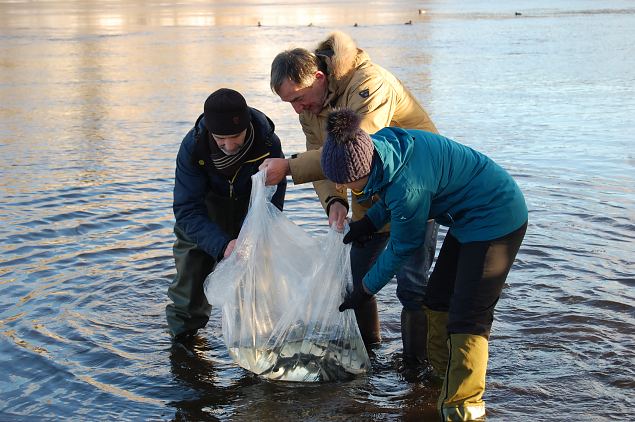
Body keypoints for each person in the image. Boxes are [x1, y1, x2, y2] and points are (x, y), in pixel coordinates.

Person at [321, 108, 527, 421]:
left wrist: (364, 289)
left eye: (351, 183)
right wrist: (369, 223)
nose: (349, 191)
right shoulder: (379, 147)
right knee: (436, 299)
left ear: (364, 165)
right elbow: (388, 190)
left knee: (468, 318)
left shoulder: (408, 185)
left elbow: (404, 244)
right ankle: (437, 382)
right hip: (467, 217)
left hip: (496, 217)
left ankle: (463, 410)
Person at [260, 30, 438, 363]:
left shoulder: (369, 84)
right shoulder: (309, 107)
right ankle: (368, 353)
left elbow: (356, 150)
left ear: (318, 76)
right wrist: (335, 201)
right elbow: (321, 153)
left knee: (412, 287)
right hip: (368, 193)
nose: (298, 108)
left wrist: (288, 167)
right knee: (354, 283)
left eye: (299, 98)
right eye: (291, 104)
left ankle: (418, 370)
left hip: (416, 190)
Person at [166, 88, 287, 343]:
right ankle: (185, 343)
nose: (229, 146)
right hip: (204, 219)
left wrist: (249, 239)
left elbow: (273, 199)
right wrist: (222, 245)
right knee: (189, 284)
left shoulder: (268, 143)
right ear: (210, 132)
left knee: (255, 286)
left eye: (236, 136)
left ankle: (254, 342)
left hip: (251, 217)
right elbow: (187, 209)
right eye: (221, 139)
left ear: (246, 127)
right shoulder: (193, 148)